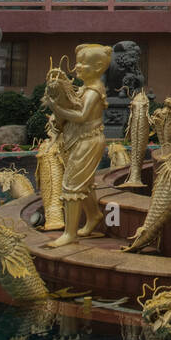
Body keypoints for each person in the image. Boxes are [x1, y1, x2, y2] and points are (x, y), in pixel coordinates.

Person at [45, 43, 110, 248]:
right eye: (77, 62)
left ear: (98, 67)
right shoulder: (84, 88)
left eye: (84, 63)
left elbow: (81, 116)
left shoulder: (93, 91)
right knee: (85, 182)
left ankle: (70, 233)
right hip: (80, 139)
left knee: (71, 184)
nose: (78, 67)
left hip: (88, 140)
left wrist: (56, 107)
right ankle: (94, 216)